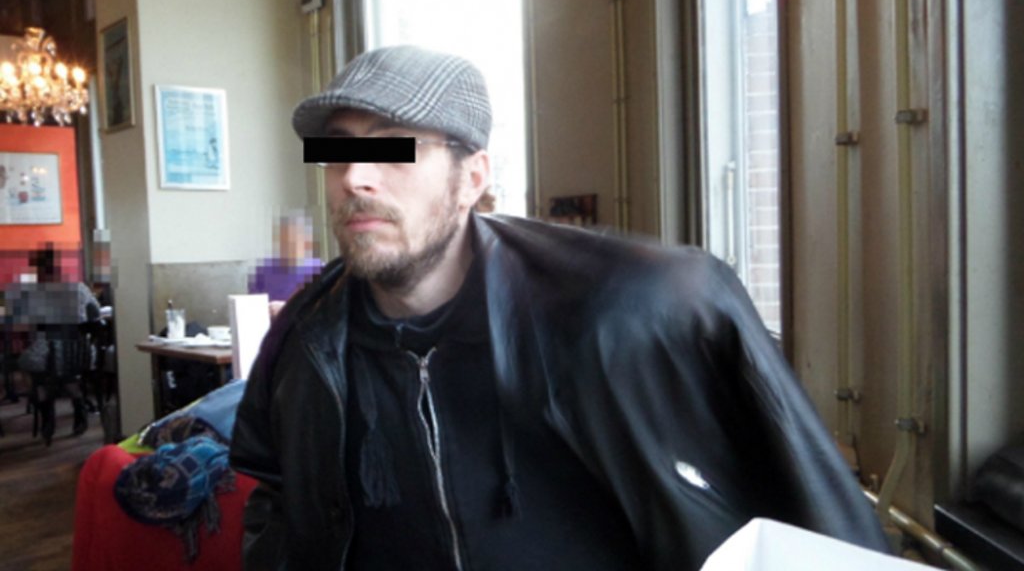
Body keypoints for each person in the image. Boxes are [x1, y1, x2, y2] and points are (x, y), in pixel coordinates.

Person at [230, 46, 888, 570]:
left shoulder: (624, 314)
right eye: (337, 152)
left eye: (393, 147)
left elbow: (799, 519)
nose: (355, 177)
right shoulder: (305, 344)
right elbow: (280, 513)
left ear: (472, 178)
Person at [6, 244, 100, 442]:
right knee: (65, 371)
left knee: (30, 364)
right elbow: (96, 314)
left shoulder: (30, 293)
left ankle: (46, 413)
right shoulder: (79, 288)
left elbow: (16, 320)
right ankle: (78, 405)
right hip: (81, 354)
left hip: (45, 355)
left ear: (37, 270)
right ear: (58, 266)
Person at [248, 210, 323, 318]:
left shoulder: (321, 271)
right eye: (284, 239)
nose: (289, 245)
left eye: (295, 239)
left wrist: (286, 308)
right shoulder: (263, 271)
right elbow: (252, 308)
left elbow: (323, 311)